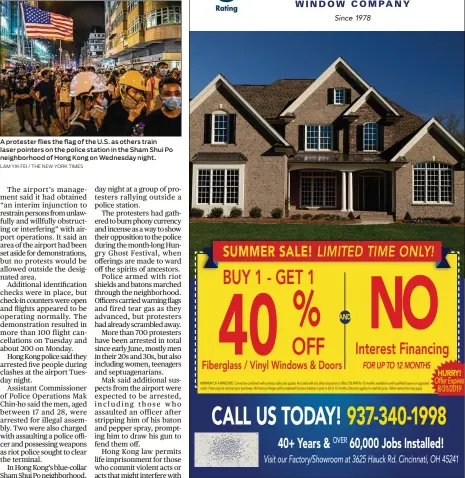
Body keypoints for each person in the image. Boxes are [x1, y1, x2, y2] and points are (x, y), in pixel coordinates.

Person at [99, 70, 147, 136]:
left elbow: (140, 129)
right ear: (123, 91)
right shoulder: (114, 109)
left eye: (140, 92)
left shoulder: (141, 109)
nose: (138, 96)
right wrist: (131, 118)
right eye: (135, 92)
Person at [68, 72, 108, 136]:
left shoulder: (93, 119)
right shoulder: (77, 129)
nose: (103, 101)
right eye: (101, 97)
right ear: (88, 100)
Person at [31, 68, 65, 135]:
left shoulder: (51, 81)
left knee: (56, 118)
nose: (49, 75)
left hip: (52, 103)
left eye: (49, 74)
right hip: (44, 104)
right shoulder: (40, 83)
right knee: (45, 119)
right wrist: (39, 100)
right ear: (44, 75)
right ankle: (47, 133)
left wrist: (57, 100)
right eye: (47, 74)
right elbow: (32, 93)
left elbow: (54, 91)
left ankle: (63, 132)